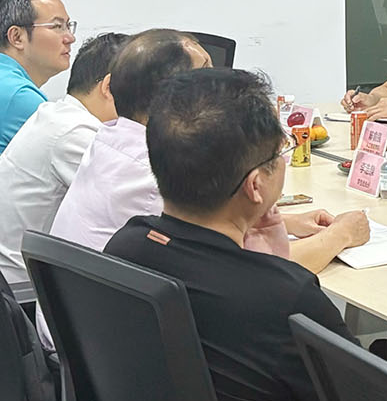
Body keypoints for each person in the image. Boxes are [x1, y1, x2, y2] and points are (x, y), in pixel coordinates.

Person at [106, 68, 352, 401]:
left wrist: (272, 263)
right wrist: (279, 274)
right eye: (280, 153)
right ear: (255, 185)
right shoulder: (287, 300)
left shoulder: (127, 245)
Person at [48, 30, 366, 276]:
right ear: (175, 94)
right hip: (126, 335)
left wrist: (289, 222)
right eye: (206, 75)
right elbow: (258, 272)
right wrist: (339, 236)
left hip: (85, 331)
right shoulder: (157, 170)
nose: (218, 84)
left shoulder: (112, 138)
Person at [0, 31, 127, 284]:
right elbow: (129, 205)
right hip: (21, 288)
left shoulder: (56, 114)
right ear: (108, 87)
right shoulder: (75, 133)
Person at [0, 0, 76, 150]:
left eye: (68, 26)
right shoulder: (18, 96)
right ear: (17, 37)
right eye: (57, 26)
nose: (70, 38)